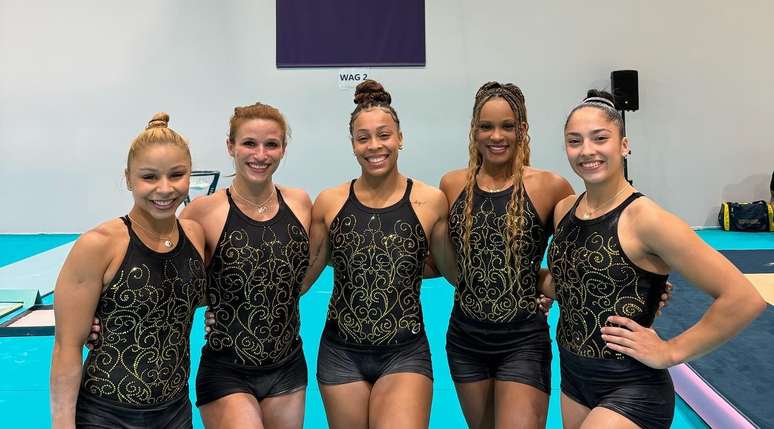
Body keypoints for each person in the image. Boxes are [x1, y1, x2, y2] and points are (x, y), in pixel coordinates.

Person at [547, 90, 766, 429]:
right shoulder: (565, 210)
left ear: (624, 145)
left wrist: (672, 351)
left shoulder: (647, 220)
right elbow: (572, 285)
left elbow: (743, 298)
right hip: (574, 377)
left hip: (631, 386)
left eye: (600, 138)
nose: (587, 150)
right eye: (574, 141)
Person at [302, 80, 453, 429]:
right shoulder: (330, 202)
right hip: (340, 352)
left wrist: (530, 288)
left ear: (400, 137)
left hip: (405, 351)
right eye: (363, 137)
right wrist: (229, 306)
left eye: (384, 135)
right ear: (353, 144)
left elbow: (454, 273)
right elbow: (302, 279)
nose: (374, 146)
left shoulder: (429, 201)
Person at [50, 113, 207, 428]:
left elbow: (186, 297)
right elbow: (67, 347)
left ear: (190, 174)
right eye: (149, 177)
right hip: (107, 415)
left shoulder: (194, 234)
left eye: (176, 175)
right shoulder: (99, 246)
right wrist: (63, 424)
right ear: (128, 178)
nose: (164, 189)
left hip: (175, 412)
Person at [439, 81, 573, 429]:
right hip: (465, 339)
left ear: (522, 130)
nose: (496, 136)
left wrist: (645, 285)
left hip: (523, 339)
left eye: (507, 126)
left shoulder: (549, 186)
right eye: (486, 126)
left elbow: (581, 253)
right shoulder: (452, 185)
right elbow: (446, 259)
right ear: (474, 130)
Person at [181, 102, 312, 428]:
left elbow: (299, 274)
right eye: (249, 143)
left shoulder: (300, 203)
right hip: (228, 368)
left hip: (288, 365)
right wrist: (100, 321)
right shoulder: (203, 212)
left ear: (283, 149)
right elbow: (169, 279)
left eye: (271, 144)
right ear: (231, 146)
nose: (260, 154)